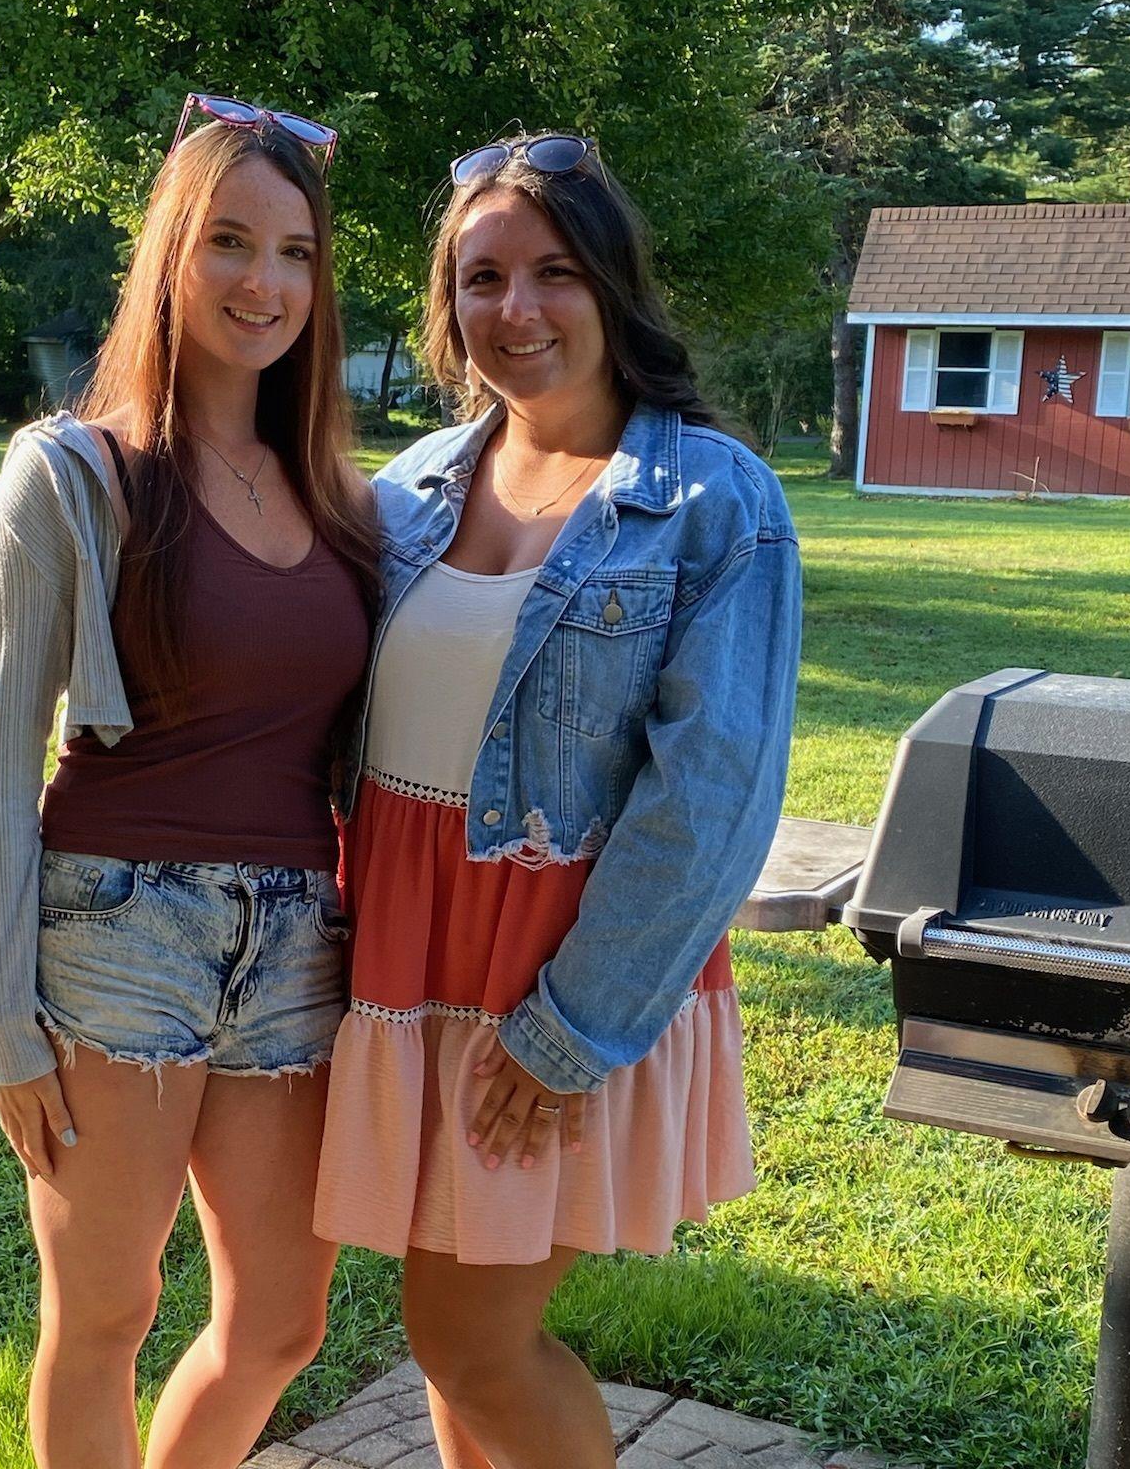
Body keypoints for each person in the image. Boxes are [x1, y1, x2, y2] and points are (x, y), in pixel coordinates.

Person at [313, 132, 802, 1469]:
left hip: (558, 967)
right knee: (453, 1336)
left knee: (468, 1337)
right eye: (482, 278)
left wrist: (570, 1027)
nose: (515, 309)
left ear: (612, 285)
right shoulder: (413, 487)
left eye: (554, 273)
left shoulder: (712, 501)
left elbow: (714, 799)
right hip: (409, 957)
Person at [0, 96, 378, 1469]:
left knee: (280, 1323)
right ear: (170, 255)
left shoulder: (337, 496)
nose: (266, 282)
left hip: (298, 942)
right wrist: (6, 1026)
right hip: (118, 930)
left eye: (297, 252)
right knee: (105, 1313)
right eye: (231, 243)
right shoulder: (73, 478)